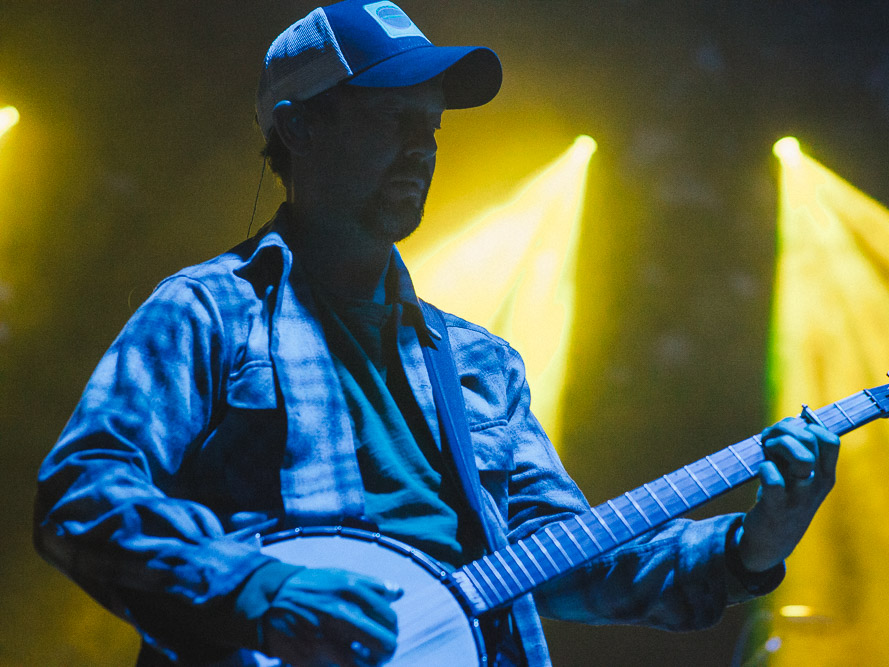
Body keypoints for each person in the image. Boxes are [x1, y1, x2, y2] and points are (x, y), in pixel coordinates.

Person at [34, 2, 840, 666]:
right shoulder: (206, 311)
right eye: (391, 119)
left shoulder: (481, 364)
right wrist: (258, 591)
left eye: (431, 127)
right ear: (300, 129)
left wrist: (751, 542)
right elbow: (81, 494)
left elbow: (571, 556)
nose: (421, 147)